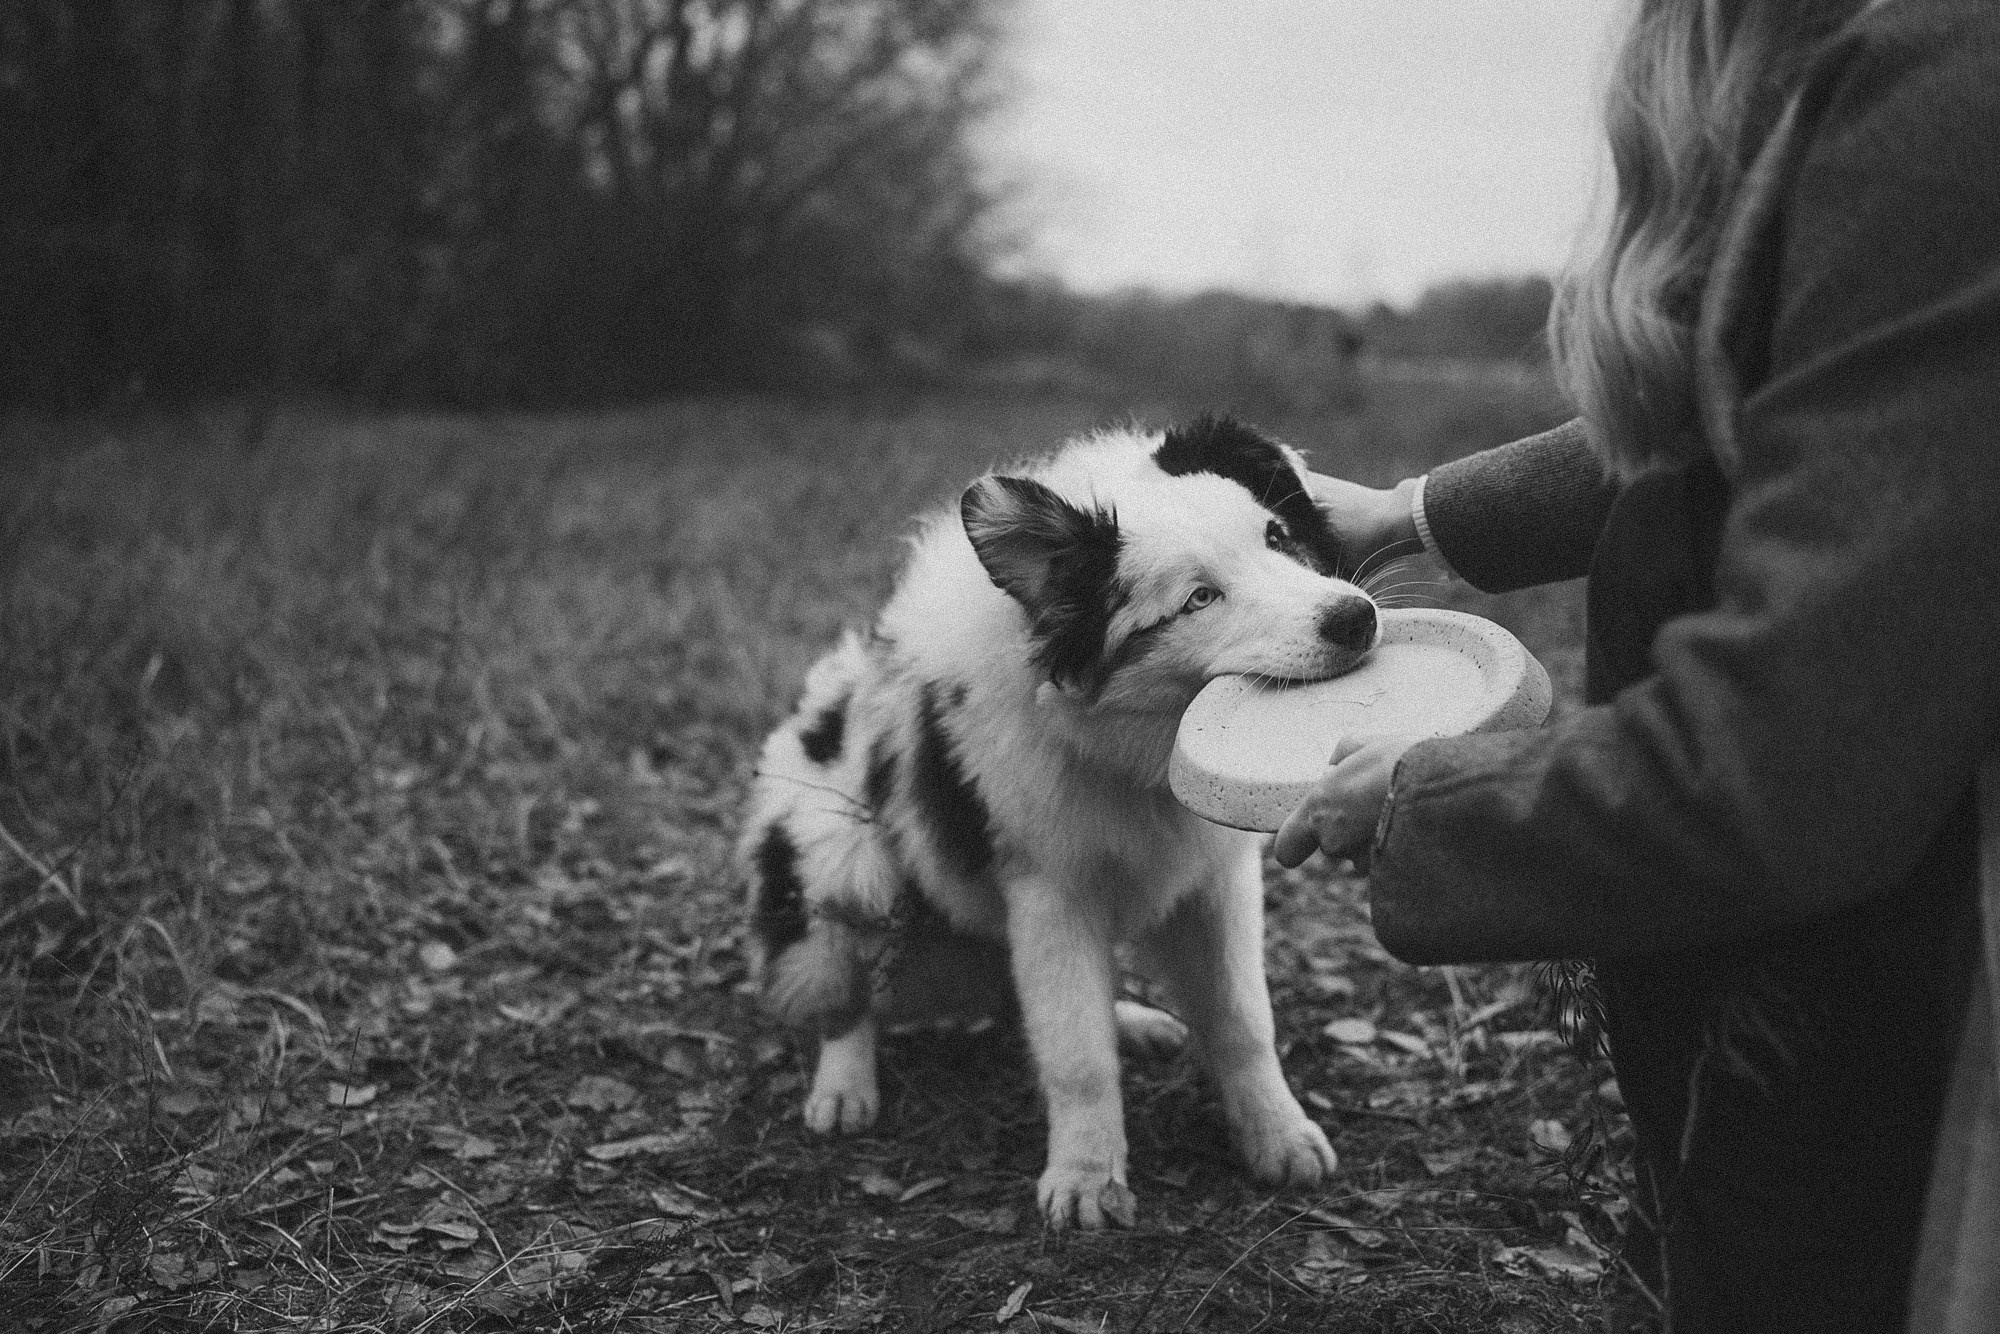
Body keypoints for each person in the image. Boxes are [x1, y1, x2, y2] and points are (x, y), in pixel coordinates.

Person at [1276, 1, 2000, 1330]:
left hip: (1879, 990)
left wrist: (1429, 796)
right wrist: (1415, 510)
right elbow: (1777, 416)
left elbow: (1786, 760)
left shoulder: (1948, 91)